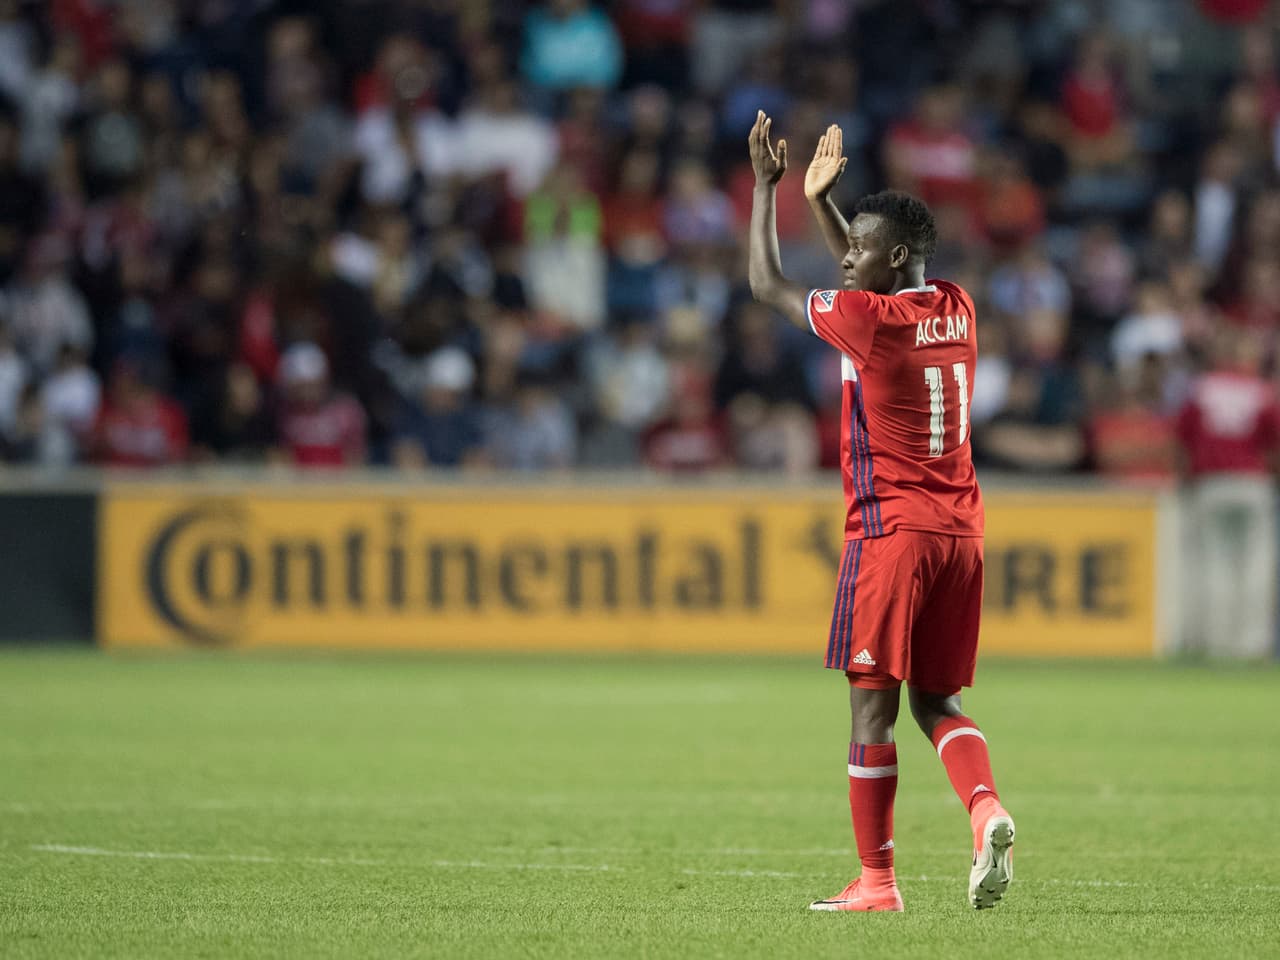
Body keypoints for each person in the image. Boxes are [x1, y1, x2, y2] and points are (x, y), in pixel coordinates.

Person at [746, 113, 1015, 912]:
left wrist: (767, 190)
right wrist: (825, 206)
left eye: (859, 248)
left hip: (890, 531)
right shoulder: (957, 305)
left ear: (894, 258)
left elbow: (767, 284)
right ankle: (986, 809)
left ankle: (877, 882)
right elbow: (868, 275)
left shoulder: (871, 324)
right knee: (939, 702)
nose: (845, 257)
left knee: (873, 707)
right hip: (961, 532)